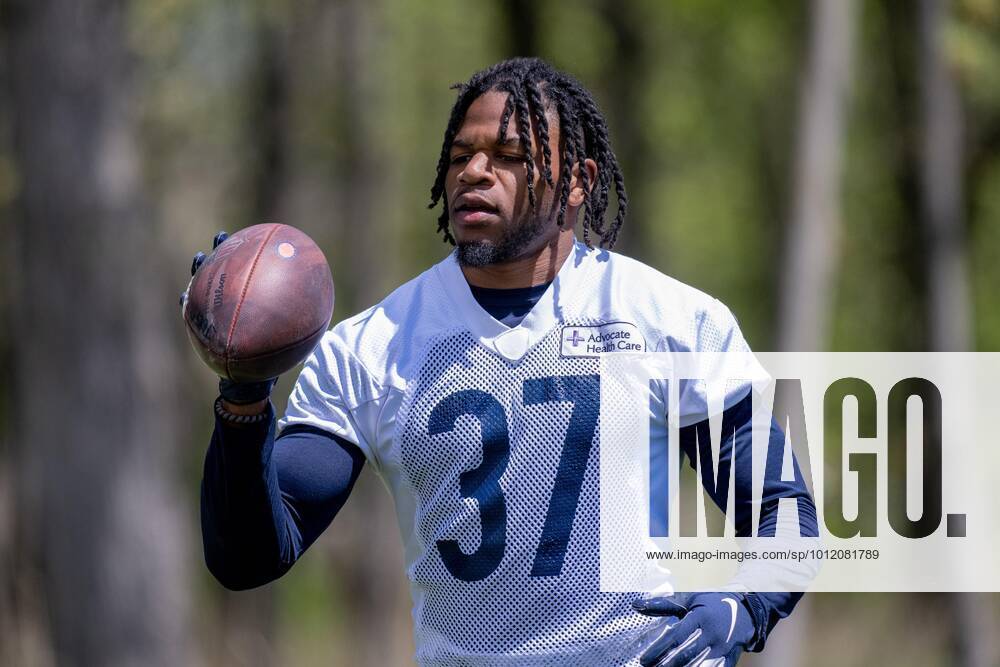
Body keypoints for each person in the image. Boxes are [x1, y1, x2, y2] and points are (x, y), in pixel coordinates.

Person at [194, 57, 817, 666]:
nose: (476, 172)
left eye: (510, 157)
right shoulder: (375, 345)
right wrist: (244, 398)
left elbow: (786, 514)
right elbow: (249, 557)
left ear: (578, 182)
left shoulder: (668, 322)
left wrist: (743, 605)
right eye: (462, 156)